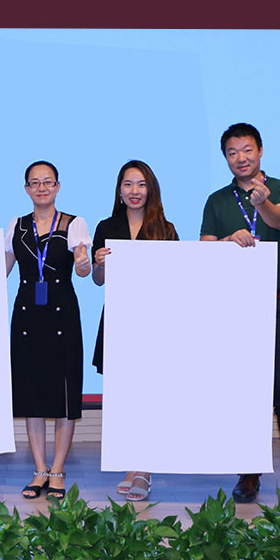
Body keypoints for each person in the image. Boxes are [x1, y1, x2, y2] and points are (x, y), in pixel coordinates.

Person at [200, 122, 280, 514]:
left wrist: (261, 203)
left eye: (247, 150)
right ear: (225, 157)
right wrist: (227, 241)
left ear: (260, 151)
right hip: (232, 308)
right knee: (242, 391)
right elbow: (204, 252)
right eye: (232, 152)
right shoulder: (217, 200)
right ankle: (249, 470)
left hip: (273, 303)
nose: (240, 158)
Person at [0, 161, 92, 500]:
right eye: (35, 183)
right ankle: (39, 469)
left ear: (58, 186)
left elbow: (84, 270)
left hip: (63, 317)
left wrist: (83, 262)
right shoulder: (16, 226)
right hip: (27, 317)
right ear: (27, 189)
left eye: (48, 182)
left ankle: (58, 470)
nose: (42, 188)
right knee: (32, 395)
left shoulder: (74, 224)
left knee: (64, 395)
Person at [90, 159, 179, 502]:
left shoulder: (165, 228)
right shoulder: (106, 226)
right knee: (123, 396)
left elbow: (178, 277)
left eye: (141, 184)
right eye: (128, 184)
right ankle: (131, 464)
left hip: (154, 321)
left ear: (151, 189)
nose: (134, 191)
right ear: (119, 190)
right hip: (118, 318)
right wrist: (99, 263)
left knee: (148, 395)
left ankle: (144, 469)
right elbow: (99, 280)